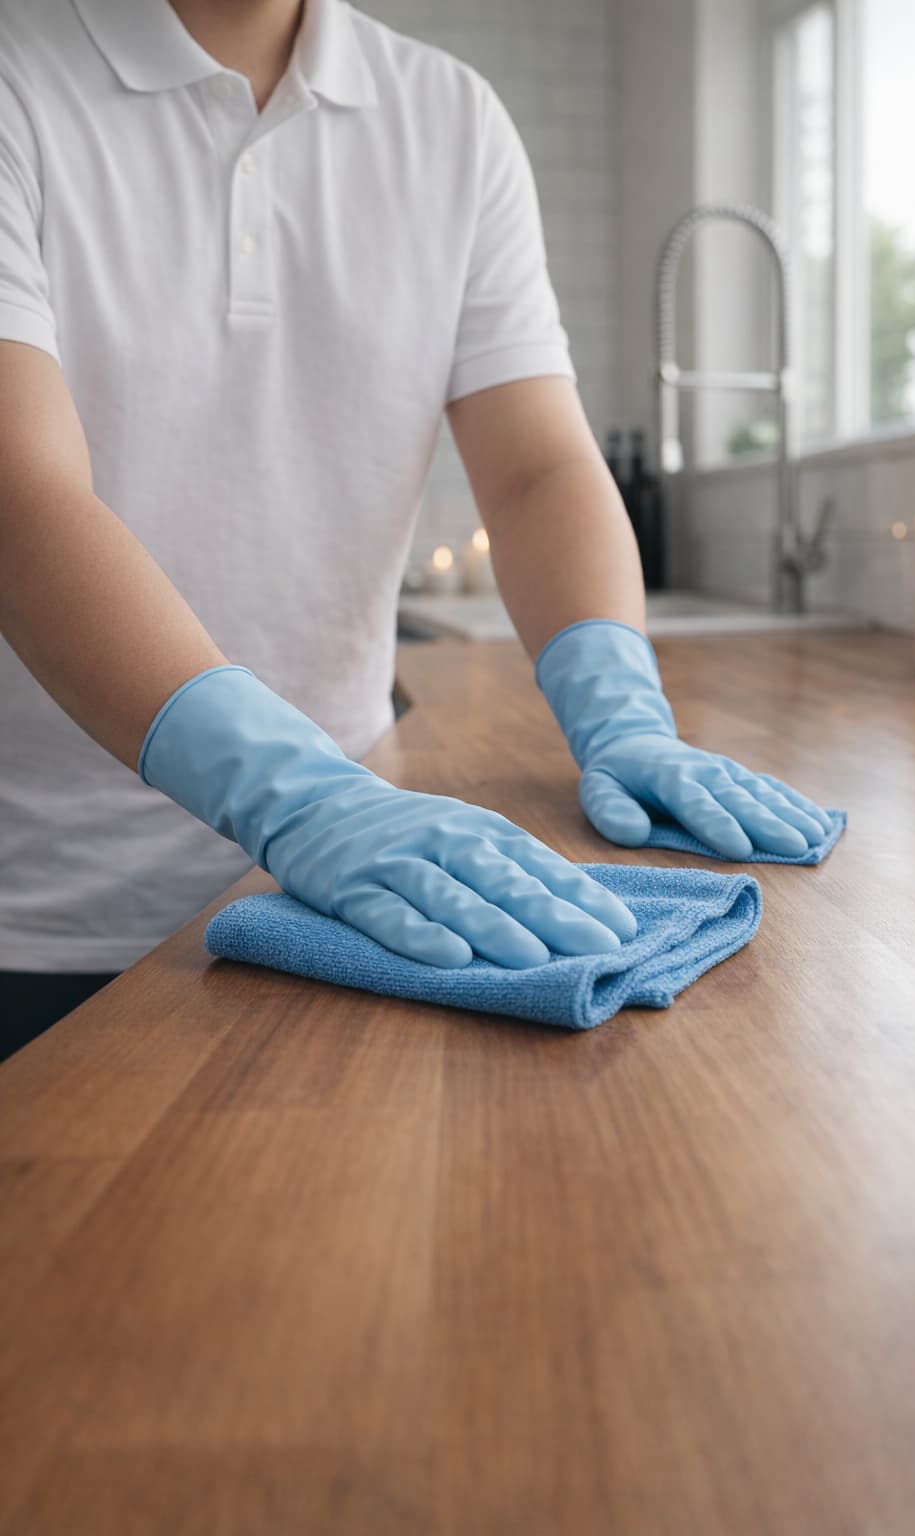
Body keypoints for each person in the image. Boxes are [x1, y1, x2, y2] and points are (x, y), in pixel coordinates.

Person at [0, 0, 831, 1060]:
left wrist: (621, 709)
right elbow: (20, 497)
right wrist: (299, 799)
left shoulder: (450, 119)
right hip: (46, 920)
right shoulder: (17, 75)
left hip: (372, 916)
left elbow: (536, 468)